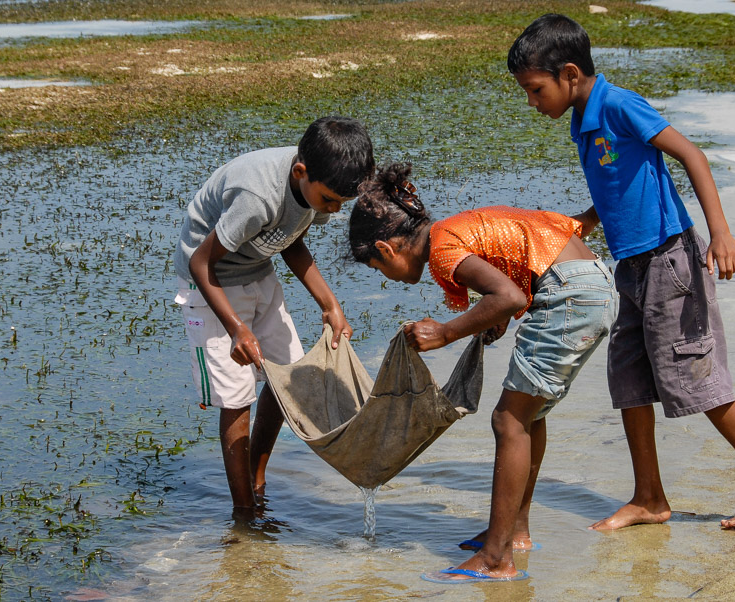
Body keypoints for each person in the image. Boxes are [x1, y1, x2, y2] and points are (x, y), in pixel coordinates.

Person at [508, 14, 735, 532]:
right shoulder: (583, 119)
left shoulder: (619, 105)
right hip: (632, 266)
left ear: (570, 73)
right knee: (629, 377)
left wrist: (722, 233)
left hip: (672, 259)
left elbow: (691, 155)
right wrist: (591, 219)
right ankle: (649, 496)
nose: (532, 103)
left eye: (535, 90)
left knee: (694, 375)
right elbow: (621, 177)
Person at [348, 162, 618, 582]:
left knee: (507, 420)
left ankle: (496, 558)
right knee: (530, 415)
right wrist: (495, 317)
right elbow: (541, 249)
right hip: (592, 284)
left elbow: (507, 295)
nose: (389, 277)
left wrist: (446, 332)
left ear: (387, 249)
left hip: (569, 297)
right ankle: (516, 531)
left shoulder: (441, 250)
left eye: (379, 268)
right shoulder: (458, 227)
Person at [173, 116, 374, 512]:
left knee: (288, 379)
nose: (332, 211)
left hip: (255, 269)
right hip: (210, 284)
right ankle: (245, 512)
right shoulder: (257, 197)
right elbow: (201, 263)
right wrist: (236, 329)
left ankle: (257, 476)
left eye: (340, 204)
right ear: (300, 173)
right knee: (237, 396)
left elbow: (290, 241)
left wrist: (330, 305)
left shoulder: (315, 184)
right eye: (329, 200)